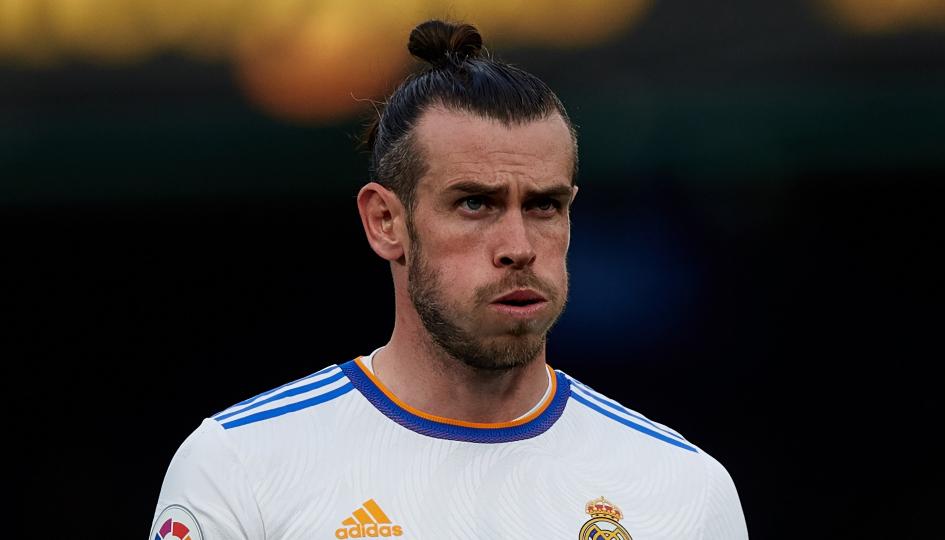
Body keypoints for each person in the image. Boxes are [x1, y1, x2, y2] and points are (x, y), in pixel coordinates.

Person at [149, 19, 748, 540]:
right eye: (475, 204)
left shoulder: (684, 490)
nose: (518, 247)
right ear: (386, 222)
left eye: (544, 206)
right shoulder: (241, 468)